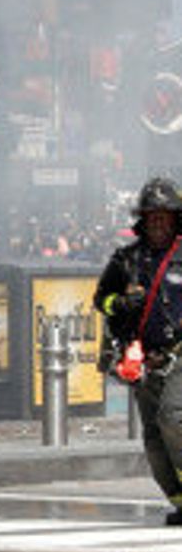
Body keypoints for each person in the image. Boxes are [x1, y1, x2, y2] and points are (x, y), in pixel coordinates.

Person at [94, 176, 182, 525]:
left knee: (173, 418)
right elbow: (102, 300)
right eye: (152, 216)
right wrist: (123, 303)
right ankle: (178, 499)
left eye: (165, 216)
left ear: (176, 218)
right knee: (153, 435)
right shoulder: (126, 259)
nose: (158, 223)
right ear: (143, 220)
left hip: (179, 355)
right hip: (143, 359)